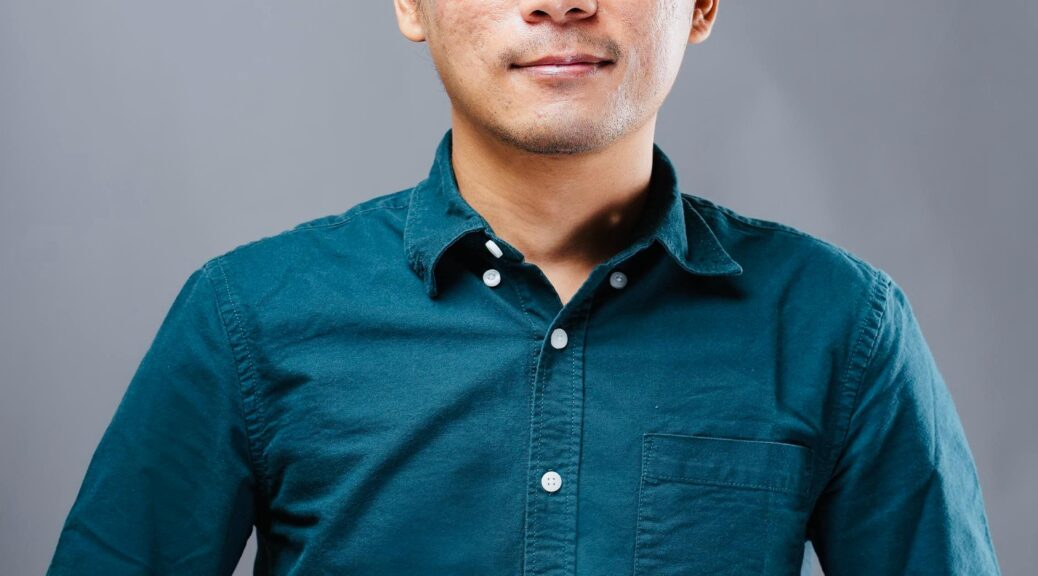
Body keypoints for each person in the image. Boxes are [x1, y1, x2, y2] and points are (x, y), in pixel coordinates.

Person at [47, 1, 1002, 574]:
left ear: (704, 5)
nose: (559, 1)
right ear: (411, 3)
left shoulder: (842, 326)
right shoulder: (247, 317)